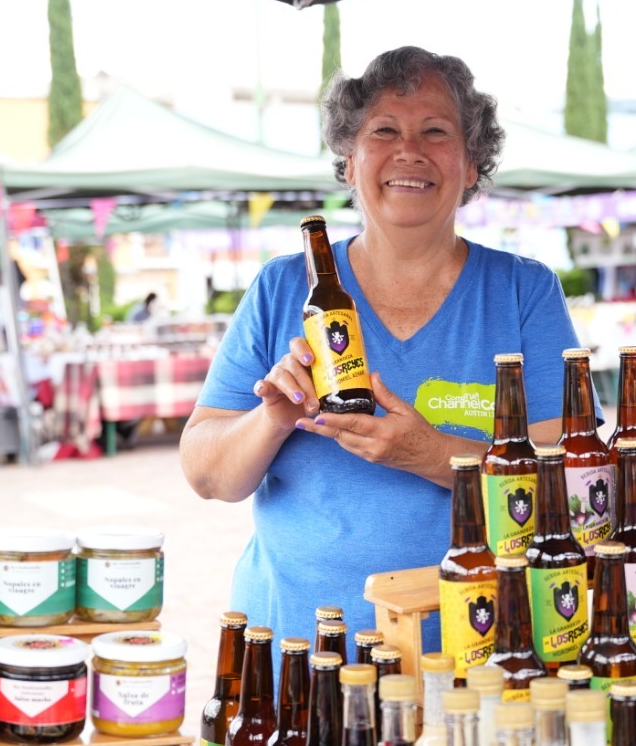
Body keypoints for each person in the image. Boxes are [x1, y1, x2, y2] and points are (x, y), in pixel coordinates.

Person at [180, 46, 585, 642]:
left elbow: (575, 484)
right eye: (384, 130)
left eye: (436, 131)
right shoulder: (282, 287)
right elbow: (207, 475)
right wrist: (271, 420)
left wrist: (433, 454)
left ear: (472, 164)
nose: (409, 150)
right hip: (296, 650)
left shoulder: (524, 292)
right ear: (349, 161)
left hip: (475, 648)